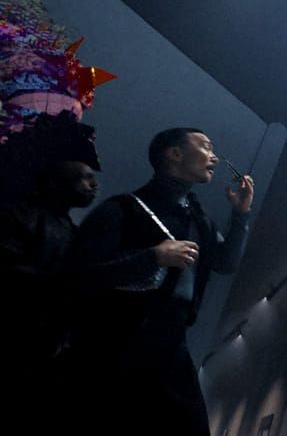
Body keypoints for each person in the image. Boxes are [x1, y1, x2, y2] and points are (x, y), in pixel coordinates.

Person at [72, 127, 254, 435]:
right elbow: (80, 276)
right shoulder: (122, 209)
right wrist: (153, 257)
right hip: (115, 339)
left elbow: (225, 262)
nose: (214, 156)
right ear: (175, 154)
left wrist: (241, 214)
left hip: (170, 339)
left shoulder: (198, 218)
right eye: (205, 147)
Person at [0, 112, 102, 431]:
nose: (94, 185)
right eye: (85, 177)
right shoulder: (16, 217)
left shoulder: (71, 231)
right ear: (54, 178)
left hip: (43, 351)